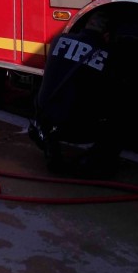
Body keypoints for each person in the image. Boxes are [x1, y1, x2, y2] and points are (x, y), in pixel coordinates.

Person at [28, 12, 122, 177]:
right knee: (122, 112)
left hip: (45, 121)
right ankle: (92, 162)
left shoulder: (58, 40)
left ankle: (49, 142)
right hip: (79, 130)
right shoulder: (108, 56)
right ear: (106, 36)